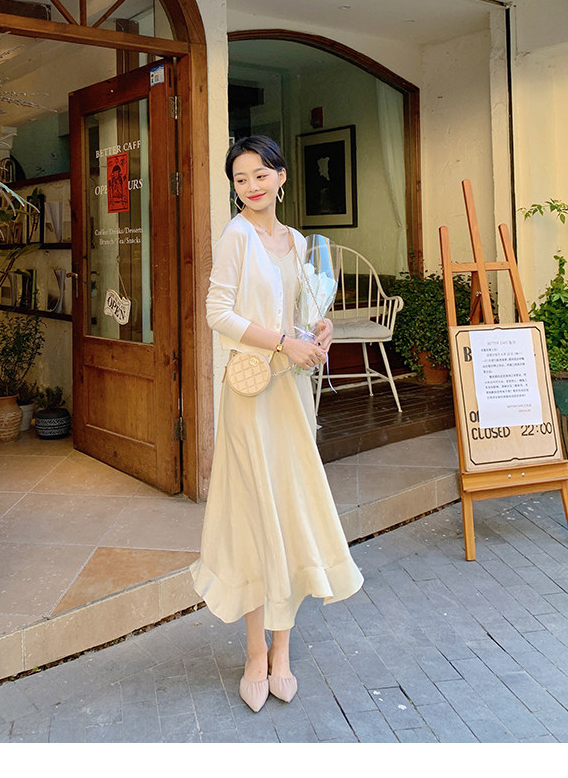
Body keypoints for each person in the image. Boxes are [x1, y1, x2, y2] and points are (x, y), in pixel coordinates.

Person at [190, 136, 364, 713]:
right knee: (254, 515)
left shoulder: (297, 241)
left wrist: (320, 329)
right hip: (249, 393)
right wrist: (282, 341)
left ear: (281, 177)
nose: (252, 186)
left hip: (291, 393)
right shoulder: (235, 237)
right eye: (241, 179)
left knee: (288, 511)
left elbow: (305, 311)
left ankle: (282, 651)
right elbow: (217, 313)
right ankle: (253, 653)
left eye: (261, 174)